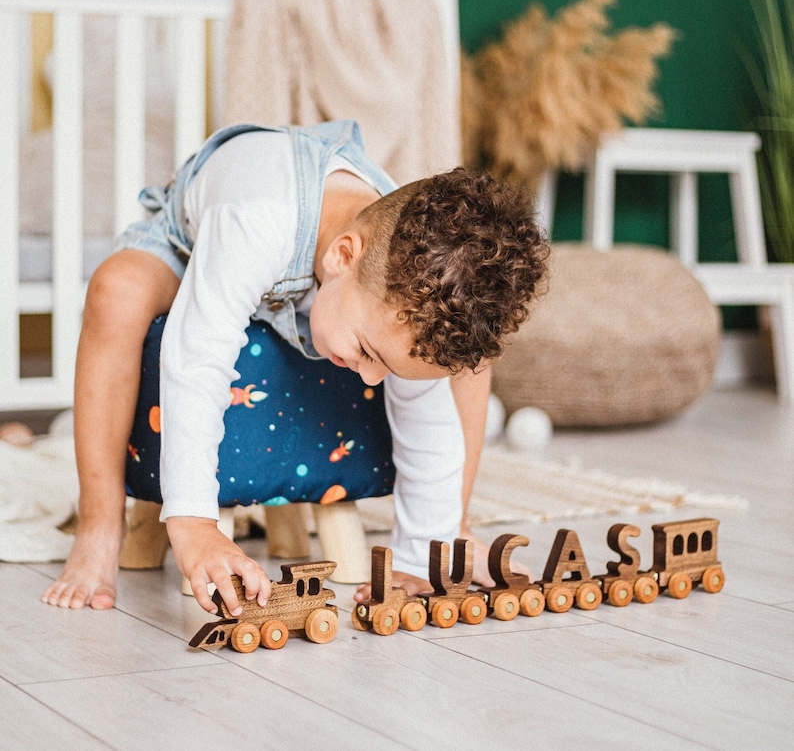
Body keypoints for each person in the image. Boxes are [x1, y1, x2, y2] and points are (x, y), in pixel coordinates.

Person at [41, 120, 548, 616]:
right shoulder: (256, 216)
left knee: (466, 365)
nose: (369, 379)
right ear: (343, 256)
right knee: (116, 292)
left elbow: (427, 425)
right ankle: (100, 524)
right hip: (191, 244)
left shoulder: (405, 292)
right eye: (369, 354)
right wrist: (194, 524)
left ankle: (447, 533)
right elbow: (196, 358)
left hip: (316, 283)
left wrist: (420, 558)